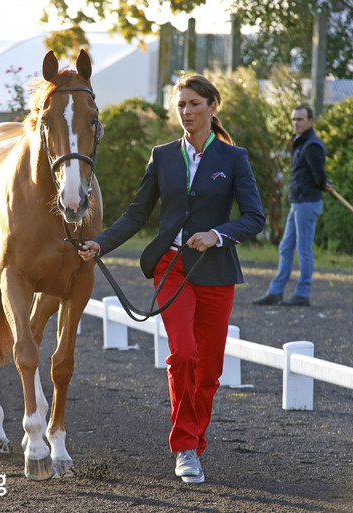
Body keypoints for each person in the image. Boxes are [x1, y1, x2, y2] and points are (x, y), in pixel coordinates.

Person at [78, 74, 265, 483]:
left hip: (215, 270)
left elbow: (255, 218)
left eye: (194, 104)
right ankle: (184, 448)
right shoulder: (162, 155)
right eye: (181, 105)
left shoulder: (235, 159)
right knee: (183, 354)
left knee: (209, 370)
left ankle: (196, 443)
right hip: (172, 266)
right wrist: (100, 244)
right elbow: (136, 213)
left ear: (212, 107)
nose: (186, 112)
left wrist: (217, 234)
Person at [253, 105, 333, 307]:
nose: (295, 123)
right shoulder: (300, 143)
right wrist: (322, 183)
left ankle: (302, 294)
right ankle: (276, 291)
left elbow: (318, 176)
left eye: (300, 119)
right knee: (286, 247)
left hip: (307, 203)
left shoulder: (312, 145)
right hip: (298, 202)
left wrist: (323, 184)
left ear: (311, 122)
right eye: (293, 119)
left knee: (303, 249)